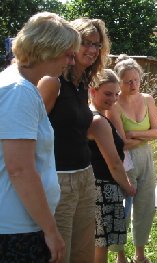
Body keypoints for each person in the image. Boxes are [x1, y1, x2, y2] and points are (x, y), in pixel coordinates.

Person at [0, 12, 80, 262]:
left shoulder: (22, 87)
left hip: (21, 223)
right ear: (47, 49)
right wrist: (51, 230)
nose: (70, 61)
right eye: (67, 54)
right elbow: (20, 169)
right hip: (17, 229)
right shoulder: (18, 92)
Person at [47, 18, 111, 263]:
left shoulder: (82, 82)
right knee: (60, 252)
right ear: (69, 44)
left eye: (97, 44)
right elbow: (34, 133)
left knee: (83, 252)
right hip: (58, 179)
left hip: (85, 175)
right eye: (85, 43)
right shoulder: (53, 81)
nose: (92, 50)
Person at [107, 55, 157, 263]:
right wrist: (145, 134)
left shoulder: (147, 99)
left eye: (136, 80)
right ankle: (120, 255)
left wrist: (135, 135)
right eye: (128, 81)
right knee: (122, 208)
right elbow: (121, 144)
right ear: (119, 82)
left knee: (146, 205)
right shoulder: (114, 105)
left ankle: (140, 254)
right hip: (125, 161)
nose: (133, 84)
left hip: (146, 158)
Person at [87, 69, 136, 263]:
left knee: (96, 242)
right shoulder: (98, 121)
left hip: (95, 185)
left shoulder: (91, 115)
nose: (113, 99)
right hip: (103, 188)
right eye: (108, 93)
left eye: (116, 94)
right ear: (93, 90)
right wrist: (128, 187)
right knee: (101, 245)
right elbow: (114, 163)